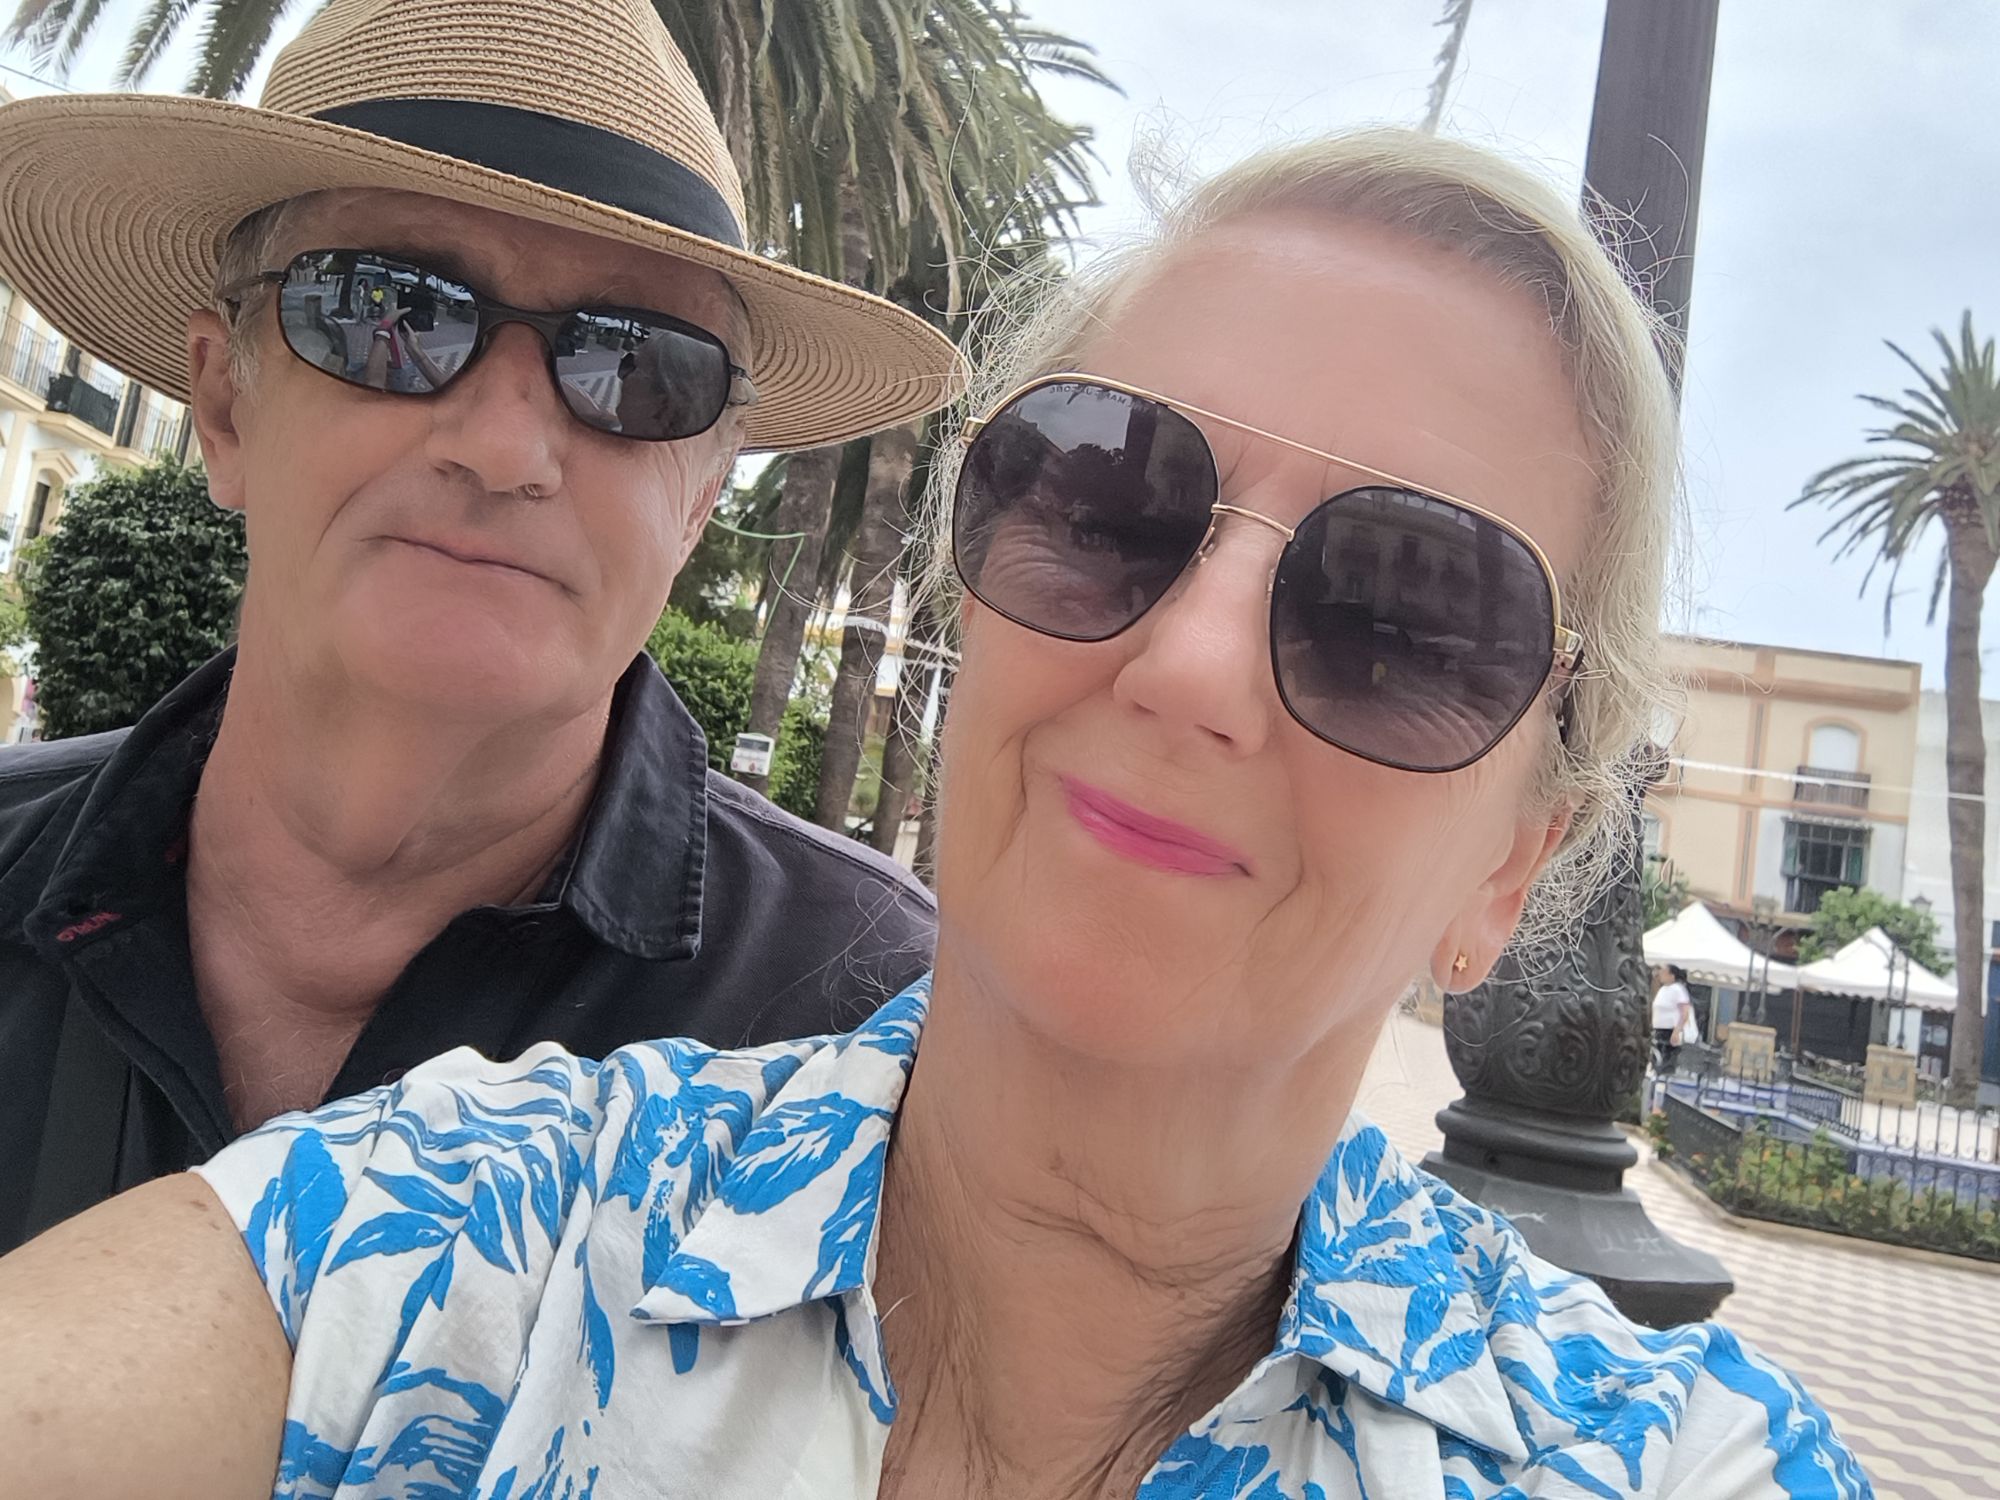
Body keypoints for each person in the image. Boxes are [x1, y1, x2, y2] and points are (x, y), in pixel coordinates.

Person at [0, 131, 1869, 1498]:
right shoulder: (477, 1233)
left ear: (1518, 865)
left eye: (1408, 617)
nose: (1189, 665)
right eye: (1106, 499)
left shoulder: (1667, 1463)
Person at [0, 0, 962, 1255]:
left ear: (698, 502)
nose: (507, 450)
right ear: (224, 404)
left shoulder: (878, 1044)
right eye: (389, 311)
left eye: (639, 366)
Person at [1654, 963, 1696, 1073]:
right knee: (1657, 1059)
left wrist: (1677, 1031)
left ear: (1671, 976)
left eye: (1664, 972)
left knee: (1667, 1060)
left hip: (1670, 1030)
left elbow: (1685, 1012)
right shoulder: (1663, 989)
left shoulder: (1678, 989)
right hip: (1660, 1030)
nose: (1660, 974)